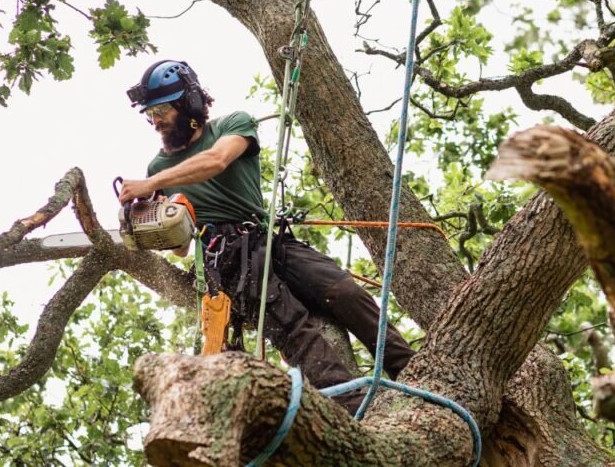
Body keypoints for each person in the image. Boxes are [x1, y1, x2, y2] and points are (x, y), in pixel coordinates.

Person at [117, 59, 417, 414]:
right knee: (293, 325)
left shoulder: (232, 125)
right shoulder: (159, 167)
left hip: (266, 240)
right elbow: (183, 249)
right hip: (226, 258)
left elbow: (216, 161)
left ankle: (412, 372)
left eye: (162, 109)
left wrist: (153, 184)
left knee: (343, 290)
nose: (156, 121)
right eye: (150, 113)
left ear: (190, 103)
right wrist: (155, 221)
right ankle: (354, 408)